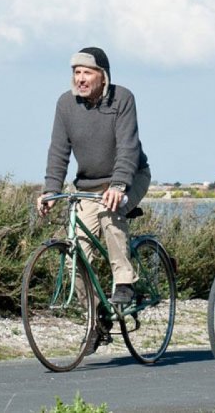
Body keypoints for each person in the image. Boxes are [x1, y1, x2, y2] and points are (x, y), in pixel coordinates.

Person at [36, 46, 151, 353]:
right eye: (76, 72)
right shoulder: (65, 104)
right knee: (74, 254)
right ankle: (97, 318)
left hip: (130, 176)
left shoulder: (122, 99)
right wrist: (50, 190)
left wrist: (119, 185)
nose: (81, 78)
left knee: (109, 212)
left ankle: (124, 282)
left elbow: (128, 147)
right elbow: (58, 150)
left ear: (103, 76)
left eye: (87, 72)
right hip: (87, 185)